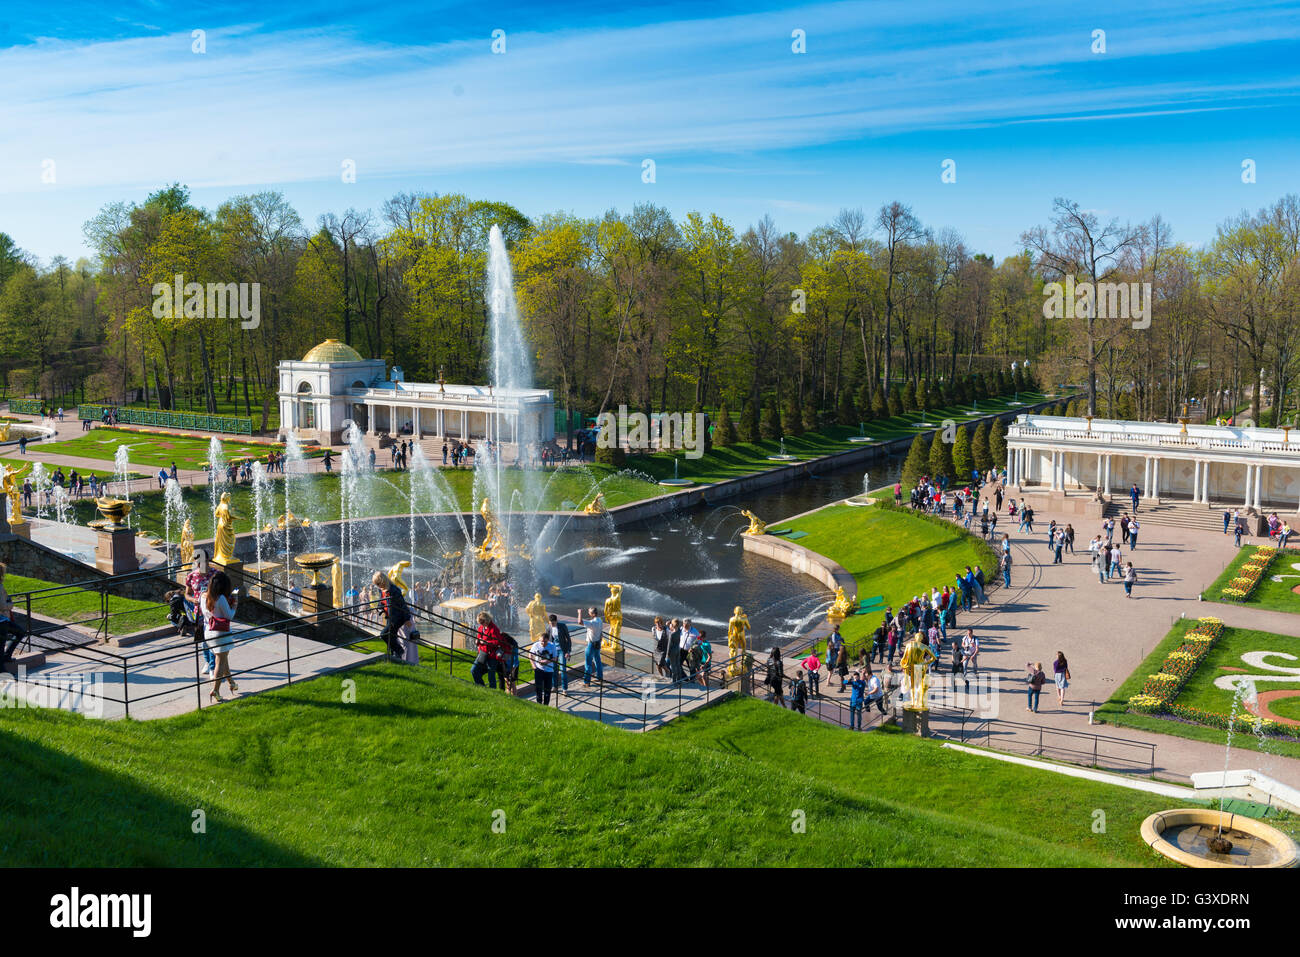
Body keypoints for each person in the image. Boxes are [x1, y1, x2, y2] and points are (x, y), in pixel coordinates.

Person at [203, 571, 240, 702]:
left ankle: (232, 683)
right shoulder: (221, 598)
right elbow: (229, 616)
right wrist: (234, 605)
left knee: (223, 659)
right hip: (221, 633)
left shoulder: (203, 596)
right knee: (220, 661)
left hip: (208, 632)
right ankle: (216, 690)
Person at [185, 549, 216, 677]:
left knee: (212, 639)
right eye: (197, 563)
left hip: (213, 611)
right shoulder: (192, 576)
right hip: (199, 612)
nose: (199, 565)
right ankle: (208, 661)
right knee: (203, 639)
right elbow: (187, 594)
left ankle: (214, 667)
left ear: (208, 560)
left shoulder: (216, 574)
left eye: (201, 562)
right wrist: (193, 600)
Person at [0, 563, 29, 667]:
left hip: (3, 619)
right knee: (19, 633)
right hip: (2, 619)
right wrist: (10, 604)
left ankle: (6, 657)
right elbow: (2, 605)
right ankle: (4, 662)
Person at [471, 611, 503, 688]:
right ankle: (482, 687)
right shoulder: (481, 628)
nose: (481, 624)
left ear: (487, 619)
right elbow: (479, 638)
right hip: (482, 653)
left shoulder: (494, 629)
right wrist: (477, 641)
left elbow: (498, 642)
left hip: (492, 655)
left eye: (482, 622)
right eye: (479, 622)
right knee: (474, 670)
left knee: (491, 676)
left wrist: (487, 642)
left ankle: (493, 693)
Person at [579, 606, 604, 684]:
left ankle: (586, 682)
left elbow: (580, 622)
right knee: (598, 661)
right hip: (597, 643)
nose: (588, 613)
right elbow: (601, 632)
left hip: (591, 644)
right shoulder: (599, 620)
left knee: (588, 663)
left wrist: (579, 613)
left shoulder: (592, 623)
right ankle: (600, 677)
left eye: (589, 612)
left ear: (593, 614)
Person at [548, 613, 571, 693]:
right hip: (554, 651)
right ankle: (555, 686)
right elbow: (548, 640)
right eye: (551, 623)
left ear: (556, 621)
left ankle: (565, 688)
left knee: (563, 669)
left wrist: (568, 651)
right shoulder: (549, 628)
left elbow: (568, 639)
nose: (552, 625)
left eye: (553, 623)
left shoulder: (562, 626)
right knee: (554, 669)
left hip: (562, 650)